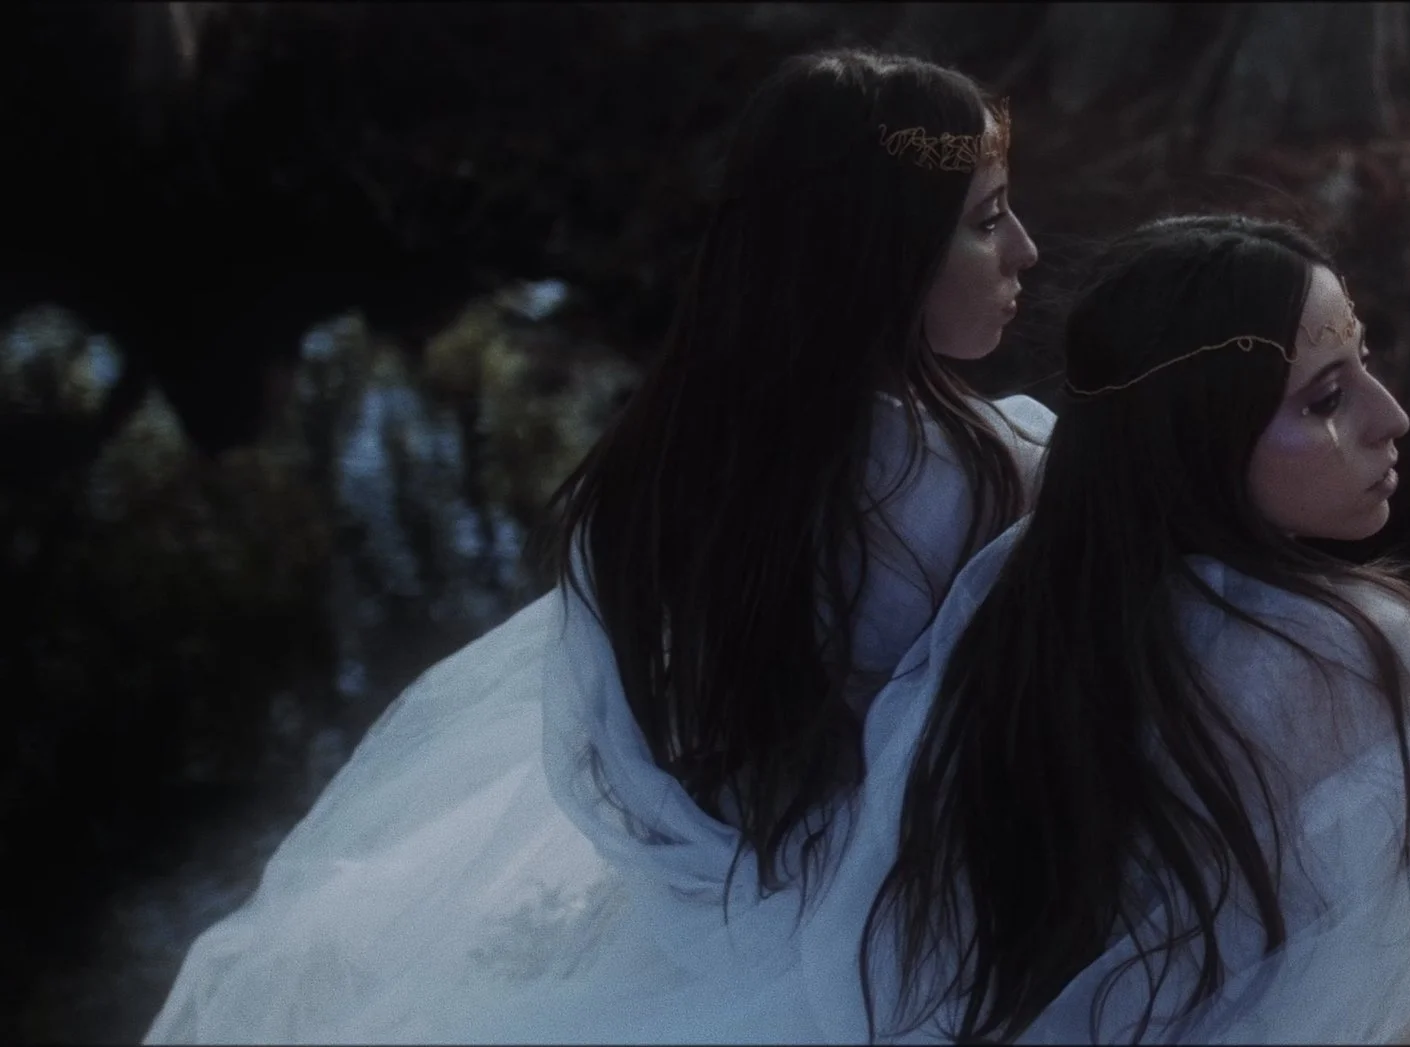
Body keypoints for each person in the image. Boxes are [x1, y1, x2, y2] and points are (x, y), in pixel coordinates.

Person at [144, 48, 1048, 1043]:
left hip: (718, 907)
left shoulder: (671, 464)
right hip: (907, 935)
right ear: (878, 250)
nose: (1027, 250)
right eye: (987, 220)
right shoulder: (988, 477)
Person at [808, 213, 1410, 1043]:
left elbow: (1225, 895)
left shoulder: (1038, 588)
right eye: (1325, 401)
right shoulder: (1333, 646)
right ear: (1201, 436)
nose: (1392, 416)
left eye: (1364, 362)